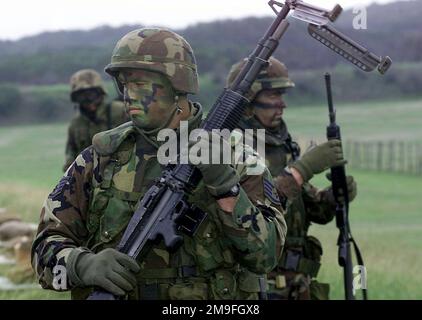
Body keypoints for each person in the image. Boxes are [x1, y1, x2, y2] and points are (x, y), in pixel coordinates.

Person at [31, 28, 287, 300]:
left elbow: (266, 257)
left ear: (177, 86)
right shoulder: (99, 158)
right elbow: (43, 251)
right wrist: (82, 265)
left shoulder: (237, 157)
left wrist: (225, 187)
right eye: (124, 85)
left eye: (140, 85)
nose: (128, 96)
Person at [227, 57, 357, 300]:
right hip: (257, 288)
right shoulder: (229, 148)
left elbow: (308, 211)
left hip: (296, 285)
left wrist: (333, 196)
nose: (282, 104)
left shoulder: (282, 144)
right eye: (273, 96)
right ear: (248, 102)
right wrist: (301, 169)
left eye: (282, 95)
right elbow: (253, 215)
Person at [64, 69, 128, 171]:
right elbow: (70, 158)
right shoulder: (76, 124)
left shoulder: (120, 111)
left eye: (92, 94)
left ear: (100, 93)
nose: (89, 100)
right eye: (82, 96)